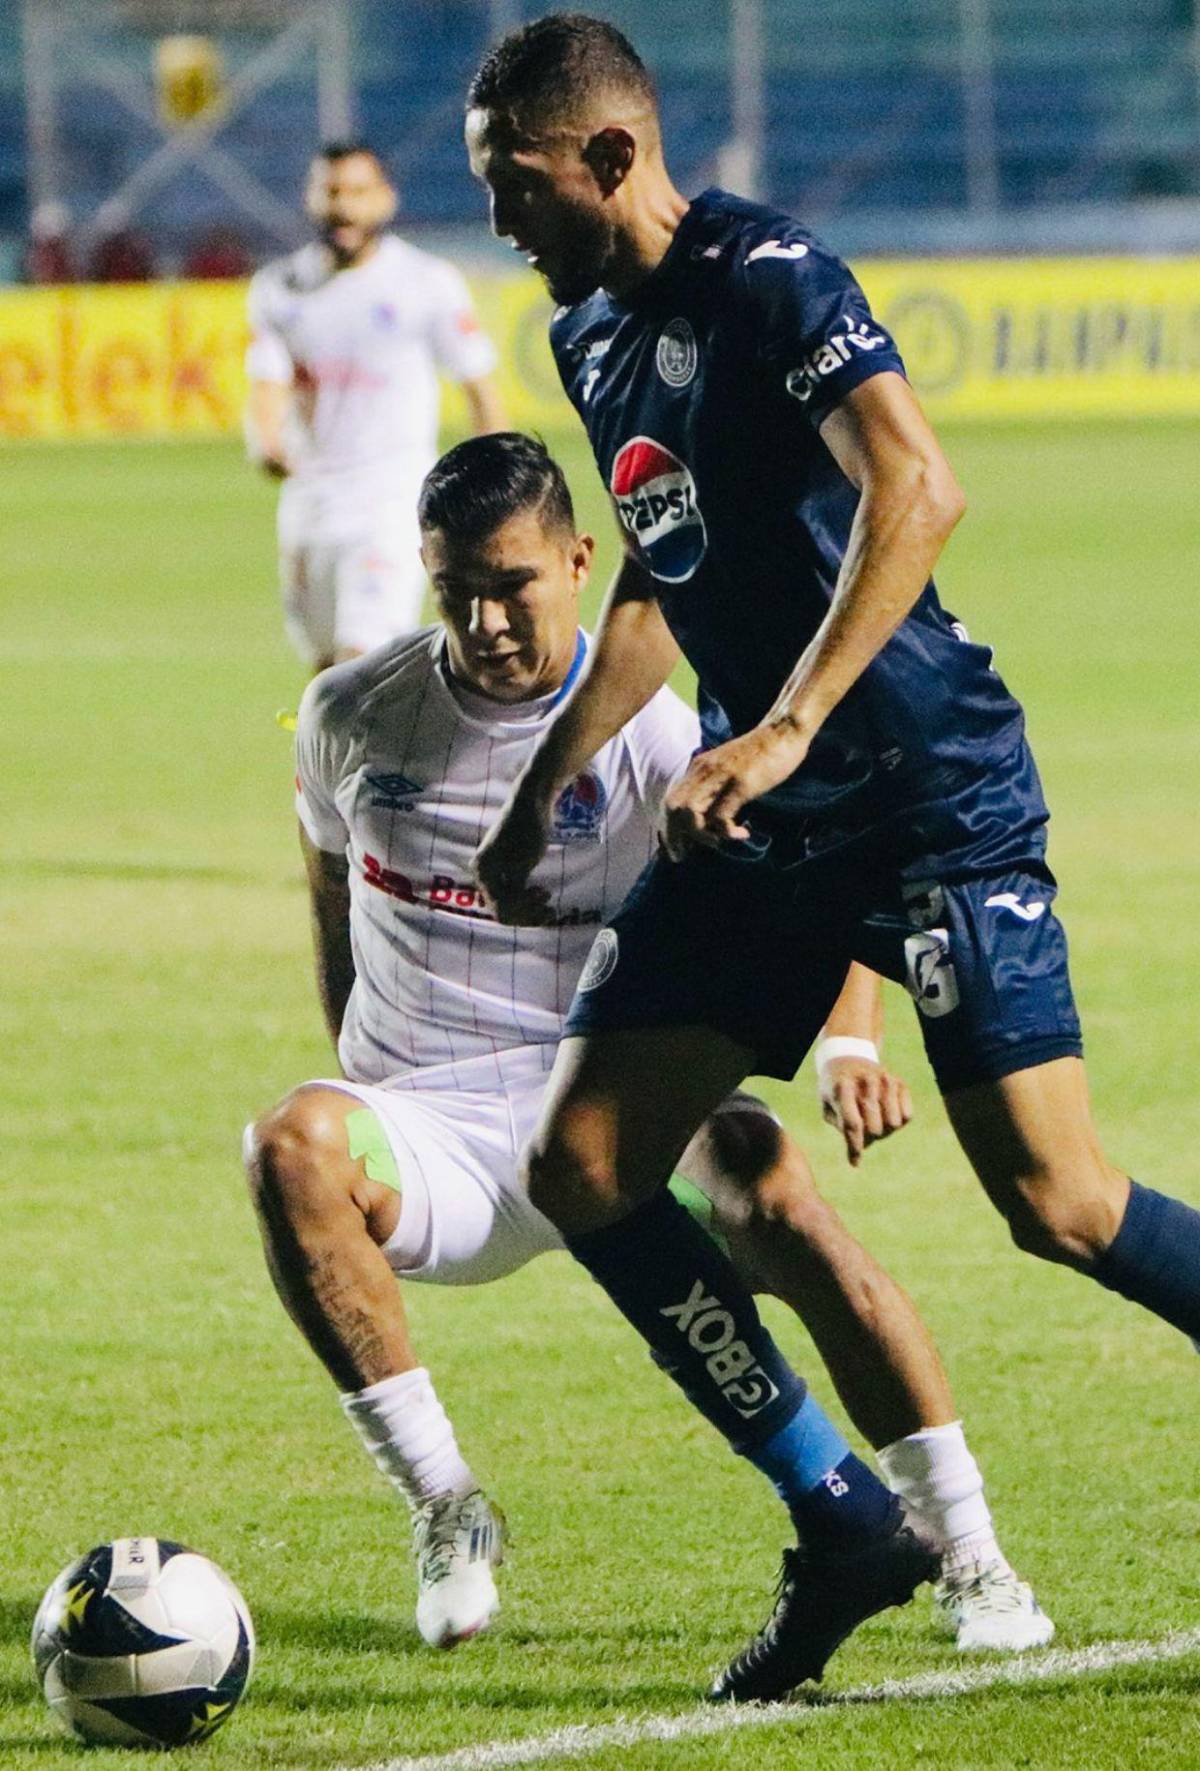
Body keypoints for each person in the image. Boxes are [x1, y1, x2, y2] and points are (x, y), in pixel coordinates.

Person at [465, 14, 1200, 1703]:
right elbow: (659, 584)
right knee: (585, 1166)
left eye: (515, 179)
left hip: (924, 784)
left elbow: (918, 487)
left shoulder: (770, 274)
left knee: (1060, 1204)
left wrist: (786, 724)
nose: (498, 212)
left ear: (609, 157)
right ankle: (844, 1516)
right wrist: (546, 784)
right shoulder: (583, 332)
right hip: (767, 822)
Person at [244, 433, 1049, 1661]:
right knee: (288, 1146)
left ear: (579, 563)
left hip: (612, 1096)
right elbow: (327, 887)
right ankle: (449, 1505)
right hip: (435, 1129)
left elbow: (812, 879)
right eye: (455, 588)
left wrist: (848, 1043)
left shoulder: (658, 743)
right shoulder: (352, 714)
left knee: (779, 1197)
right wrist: (356, 1053)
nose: (486, 619)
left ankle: (971, 1552)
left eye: (513, 583)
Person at [244, 141, 505, 672]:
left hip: (391, 502)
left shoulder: (426, 283)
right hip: (310, 504)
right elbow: (267, 383)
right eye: (331, 191)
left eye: (358, 192)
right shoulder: (280, 290)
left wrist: (498, 483)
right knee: (325, 673)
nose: (344, 206)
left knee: (363, 659)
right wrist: (265, 442)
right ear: (310, 198)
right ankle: (337, 759)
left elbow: (478, 386)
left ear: (385, 200)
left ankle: (378, 758)